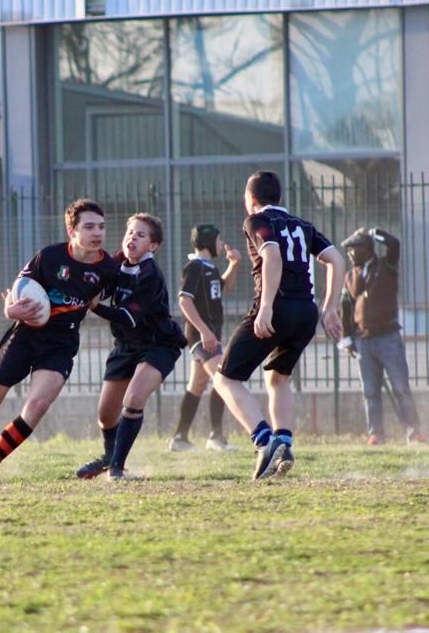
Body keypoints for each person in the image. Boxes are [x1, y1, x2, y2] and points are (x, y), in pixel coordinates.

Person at [0, 199, 120, 484]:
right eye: (89, 227)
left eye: (101, 227)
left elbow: (95, 300)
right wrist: (10, 310)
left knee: (38, 404)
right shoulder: (50, 257)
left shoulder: (107, 269)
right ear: (72, 230)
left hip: (60, 345)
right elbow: (18, 290)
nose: (97, 233)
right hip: (26, 336)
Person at [212, 170, 345, 480]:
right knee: (278, 378)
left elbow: (271, 254)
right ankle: (284, 443)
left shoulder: (257, 220)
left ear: (251, 199)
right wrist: (330, 308)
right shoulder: (303, 225)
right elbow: (336, 259)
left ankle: (264, 441)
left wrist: (267, 306)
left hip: (278, 308)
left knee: (225, 379)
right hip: (306, 313)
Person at [75, 213, 187, 481]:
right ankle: (109, 456)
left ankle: (116, 467)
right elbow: (97, 285)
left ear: (153, 246)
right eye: (129, 233)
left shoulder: (151, 274)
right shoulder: (116, 263)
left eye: (140, 235)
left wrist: (95, 307)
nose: (132, 238)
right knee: (105, 415)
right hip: (126, 344)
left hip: (158, 344)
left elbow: (126, 315)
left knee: (134, 399)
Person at [339, 227, 425, 445]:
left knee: (400, 387)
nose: (350, 254)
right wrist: (346, 337)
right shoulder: (350, 276)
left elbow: (394, 244)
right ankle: (376, 434)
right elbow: (345, 308)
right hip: (363, 341)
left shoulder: (386, 266)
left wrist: (375, 232)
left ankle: (413, 432)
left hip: (388, 337)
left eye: (354, 248)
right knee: (370, 391)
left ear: (367, 249)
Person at [168, 224, 241, 452]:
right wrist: (204, 331)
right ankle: (216, 437)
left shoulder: (209, 268)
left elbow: (224, 287)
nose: (222, 244)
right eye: (219, 240)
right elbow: (184, 301)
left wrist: (234, 264)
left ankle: (179, 438)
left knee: (198, 384)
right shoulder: (194, 267)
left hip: (211, 333)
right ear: (210, 242)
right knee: (222, 378)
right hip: (201, 335)